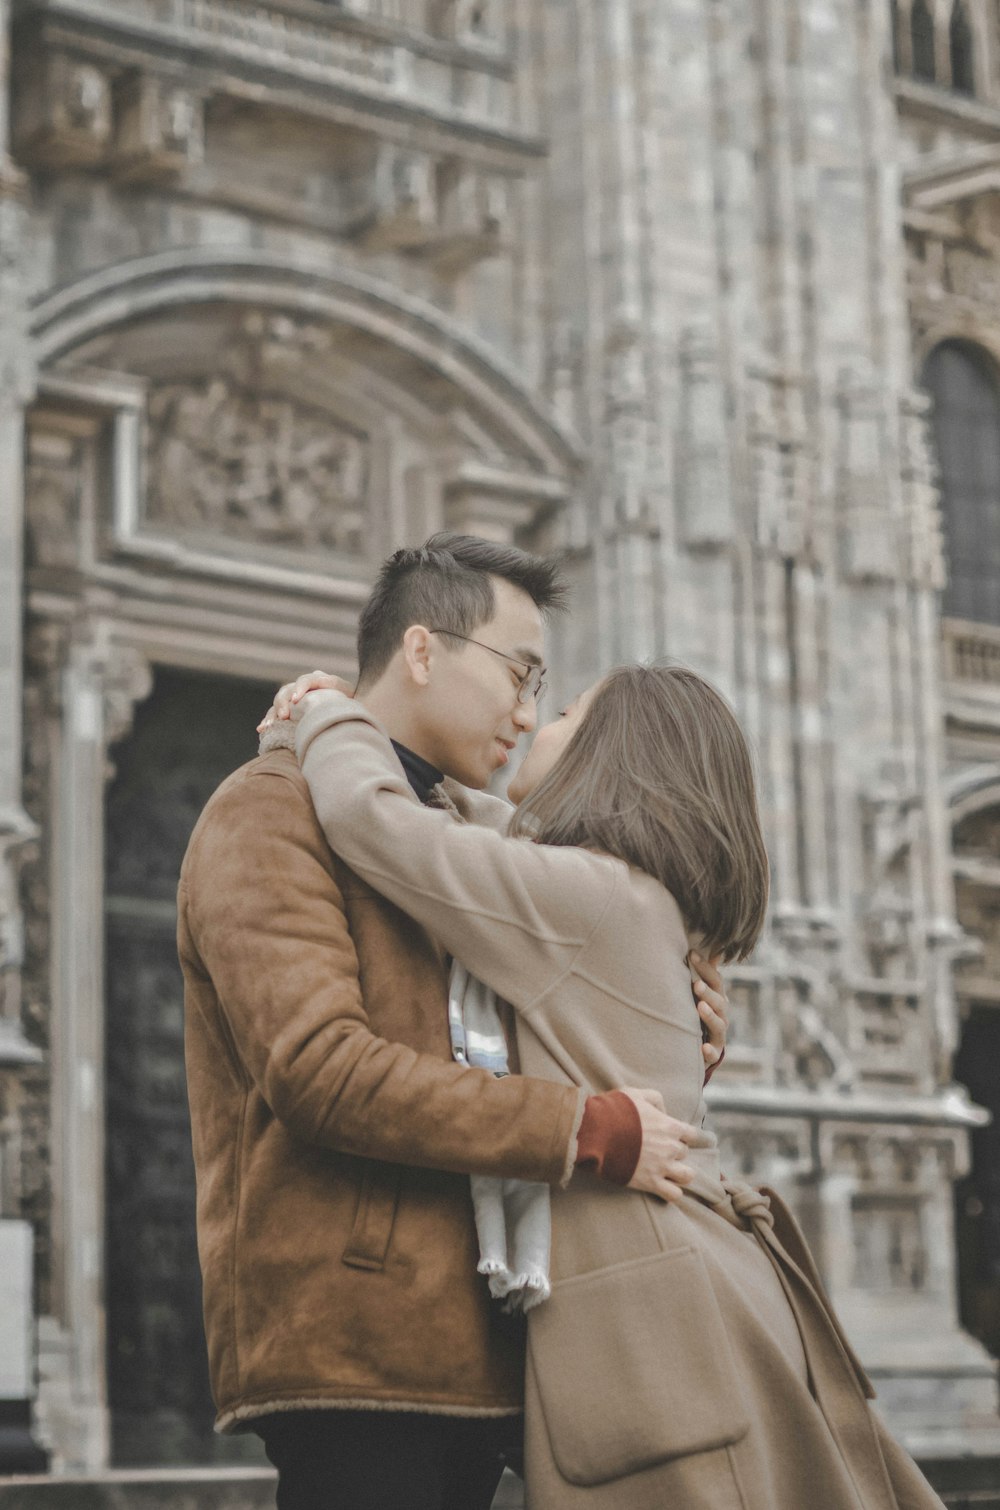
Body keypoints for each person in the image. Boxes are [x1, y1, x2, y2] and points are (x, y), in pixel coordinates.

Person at [264, 659, 947, 1510]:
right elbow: (470, 835)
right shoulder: (629, 899)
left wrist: (329, 715)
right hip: (691, 1290)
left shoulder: (586, 897)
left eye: (566, 712)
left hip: (654, 1315)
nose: (534, 723)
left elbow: (382, 825)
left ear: (608, 752)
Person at [178, 534, 730, 1510]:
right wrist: (583, 1127)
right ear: (424, 649)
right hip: (358, 1346)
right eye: (521, 675)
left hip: (497, 1337)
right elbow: (321, 1070)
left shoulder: (465, 837)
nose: (527, 712)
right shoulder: (269, 810)